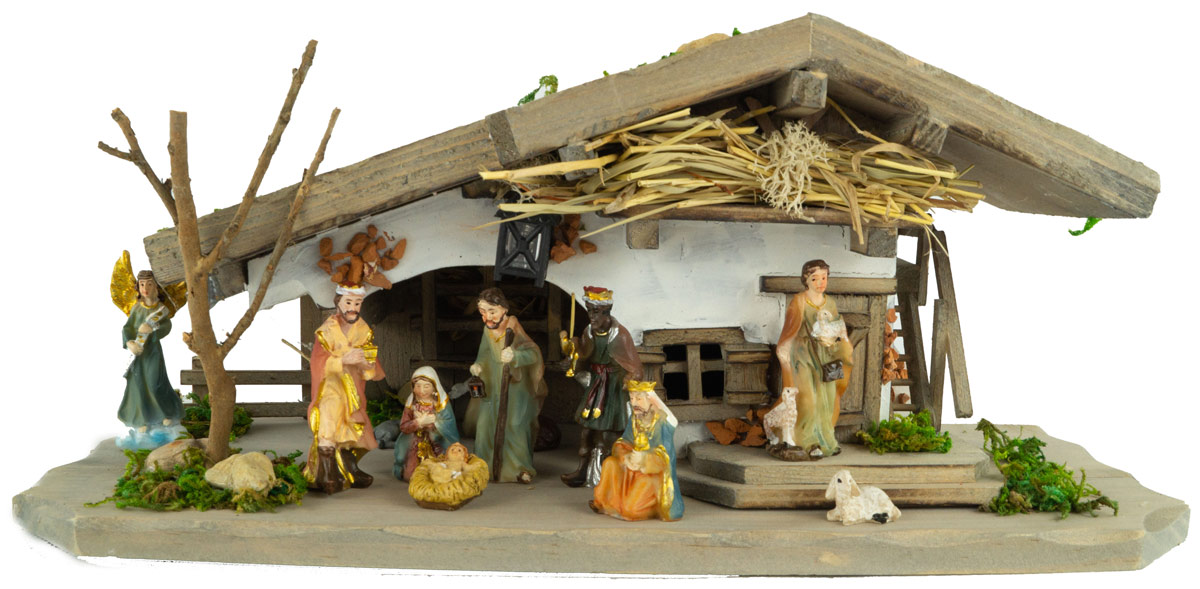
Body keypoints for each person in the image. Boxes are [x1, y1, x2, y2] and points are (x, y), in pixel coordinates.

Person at [559, 286, 643, 487]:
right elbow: (583, 356)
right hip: (596, 384)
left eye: (595, 312)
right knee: (587, 431)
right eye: (589, 311)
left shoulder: (620, 335)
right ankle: (583, 470)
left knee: (608, 434)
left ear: (606, 312)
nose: (592, 316)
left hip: (613, 388)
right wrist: (573, 357)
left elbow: (635, 367)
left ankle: (610, 477)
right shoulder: (588, 332)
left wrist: (629, 379)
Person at [304, 284, 385, 494]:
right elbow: (318, 363)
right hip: (331, 386)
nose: (353, 308)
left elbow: (372, 367)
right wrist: (342, 360)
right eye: (348, 302)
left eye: (357, 303)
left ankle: (349, 468)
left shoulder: (363, 331)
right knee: (329, 422)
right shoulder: (327, 331)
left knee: (355, 428)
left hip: (353, 388)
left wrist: (366, 365)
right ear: (338, 303)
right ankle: (327, 471)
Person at [770, 259, 853, 460]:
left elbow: (838, 328)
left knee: (827, 400)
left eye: (824, 278)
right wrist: (785, 353)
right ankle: (806, 441)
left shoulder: (830, 303)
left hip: (826, 357)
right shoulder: (799, 301)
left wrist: (839, 342)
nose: (820, 282)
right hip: (803, 356)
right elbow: (790, 330)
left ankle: (825, 441)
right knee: (808, 400)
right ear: (806, 280)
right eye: (815, 278)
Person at [469, 287, 547, 483]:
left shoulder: (513, 328)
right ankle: (484, 466)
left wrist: (515, 356)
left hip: (515, 386)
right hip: (493, 385)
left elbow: (534, 354)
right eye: (482, 312)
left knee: (515, 425)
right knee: (485, 425)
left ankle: (520, 468)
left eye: (492, 311)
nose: (487, 317)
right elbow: (484, 354)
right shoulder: (488, 330)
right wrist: (478, 366)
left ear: (504, 309)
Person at [590, 380, 684, 521]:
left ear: (650, 400)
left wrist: (644, 460)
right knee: (610, 463)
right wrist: (625, 456)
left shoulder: (662, 423)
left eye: (638, 399)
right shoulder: (635, 418)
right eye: (632, 398)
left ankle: (647, 507)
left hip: (650, 474)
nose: (634, 403)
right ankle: (607, 503)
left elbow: (665, 456)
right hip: (630, 467)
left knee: (631, 510)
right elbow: (624, 441)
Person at [118, 270, 184, 449]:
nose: (145, 288)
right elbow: (127, 328)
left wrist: (153, 330)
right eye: (142, 284)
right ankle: (142, 419)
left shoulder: (161, 309)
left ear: (156, 287)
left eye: (149, 284)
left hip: (153, 351)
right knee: (138, 383)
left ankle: (165, 413)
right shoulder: (136, 308)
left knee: (156, 382)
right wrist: (129, 343)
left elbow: (167, 326)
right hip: (139, 352)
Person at [392, 366, 460, 481]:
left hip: (437, 443)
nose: (422, 390)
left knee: (439, 470)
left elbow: (449, 426)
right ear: (413, 387)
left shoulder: (441, 404)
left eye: (426, 386)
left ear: (434, 388)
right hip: (416, 443)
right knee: (411, 475)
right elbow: (404, 426)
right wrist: (418, 422)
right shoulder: (411, 404)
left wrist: (434, 422)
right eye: (418, 386)